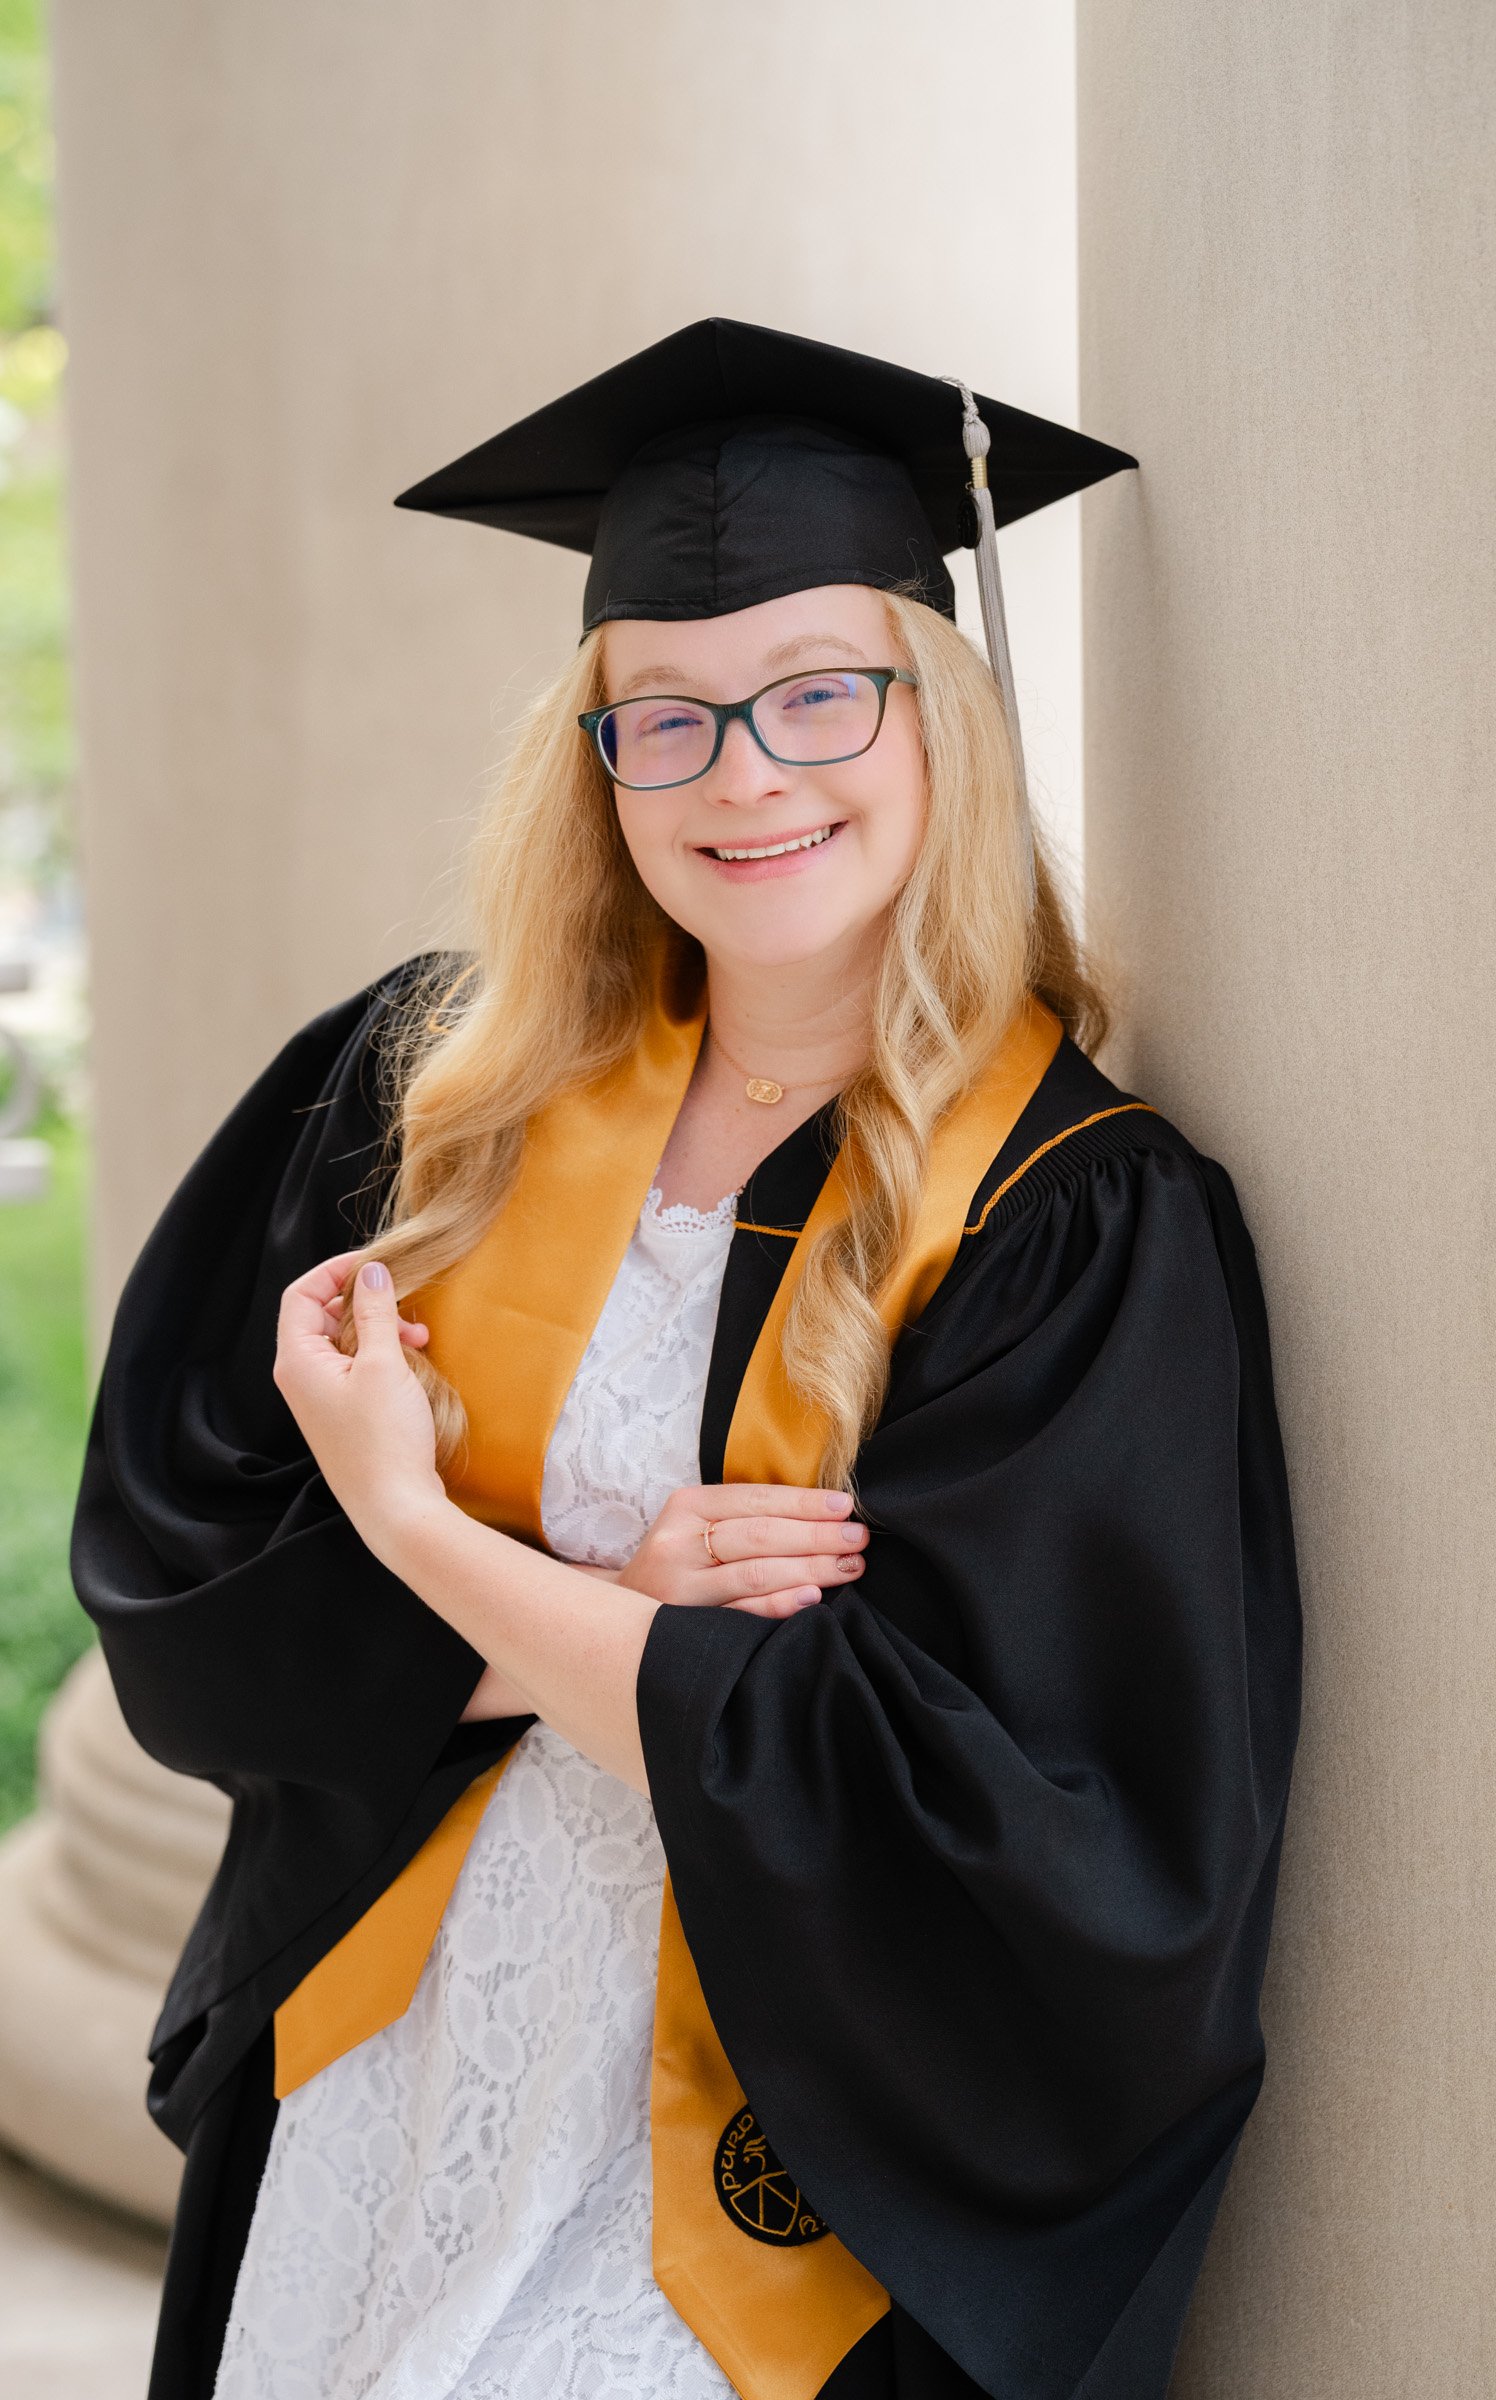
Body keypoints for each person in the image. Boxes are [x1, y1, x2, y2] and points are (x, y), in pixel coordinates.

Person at [72, 319, 1301, 2400]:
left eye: (821, 691)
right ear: (598, 757)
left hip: (766, 2161)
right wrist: (609, 1620)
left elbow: (1005, 1832)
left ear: (943, 716)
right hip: (393, 2072)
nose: (745, 773)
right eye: (665, 718)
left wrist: (412, 1529)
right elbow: (175, 1605)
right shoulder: (418, 1099)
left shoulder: (1067, 1222)